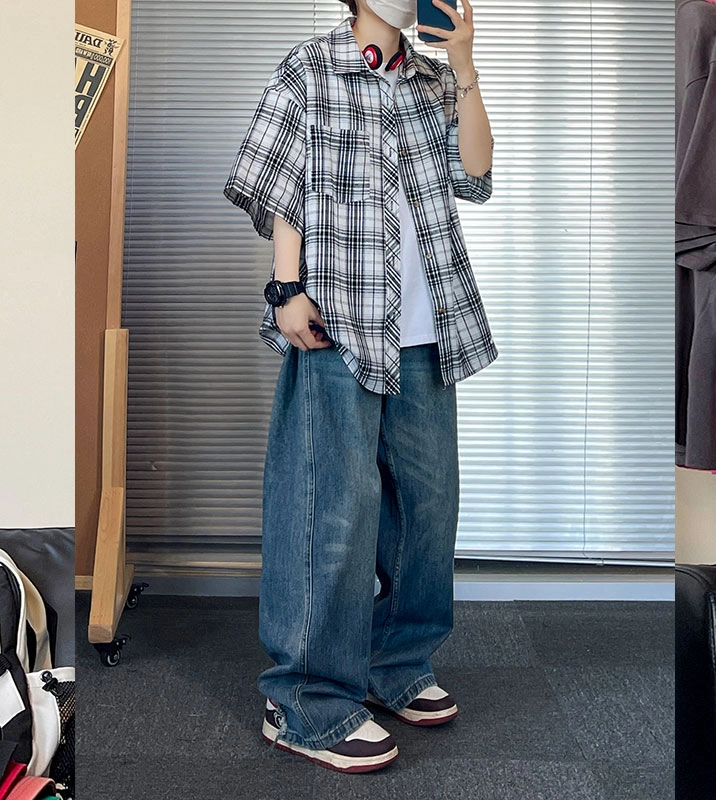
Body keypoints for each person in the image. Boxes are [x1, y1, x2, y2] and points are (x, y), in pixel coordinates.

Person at [223, 0, 497, 774]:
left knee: (427, 511)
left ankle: (394, 663)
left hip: (426, 328)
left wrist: (466, 66)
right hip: (338, 321)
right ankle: (304, 702)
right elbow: (280, 184)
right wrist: (286, 288)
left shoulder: (433, 80)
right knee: (330, 514)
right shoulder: (310, 68)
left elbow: (475, 174)